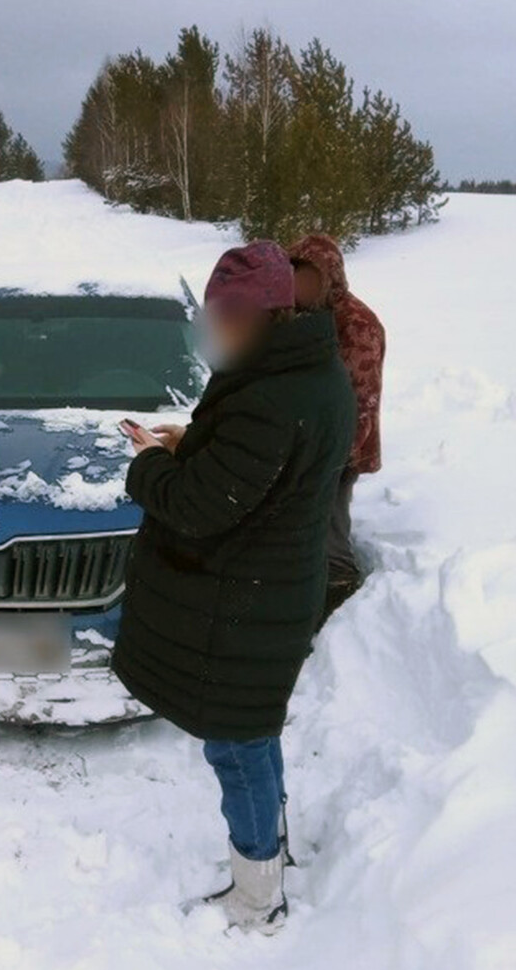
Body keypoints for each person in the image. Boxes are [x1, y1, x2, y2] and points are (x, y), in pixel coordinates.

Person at [112, 241, 354, 933]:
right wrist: (191, 440)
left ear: (264, 315)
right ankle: (273, 856)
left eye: (227, 317)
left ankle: (257, 896)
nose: (214, 330)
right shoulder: (304, 370)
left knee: (237, 745)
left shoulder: (272, 397)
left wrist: (149, 466)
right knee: (256, 732)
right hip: (271, 591)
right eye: (211, 315)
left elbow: (196, 506)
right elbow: (263, 467)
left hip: (247, 605)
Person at [287, 234, 385, 624]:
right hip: (309, 443)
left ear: (331, 277)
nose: (300, 285)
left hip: (340, 451)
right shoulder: (306, 315)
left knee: (330, 531)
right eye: (295, 276)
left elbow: (362, 401)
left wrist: (334, 457)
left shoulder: (357, 324)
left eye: (309, 277)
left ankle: (340, 613)